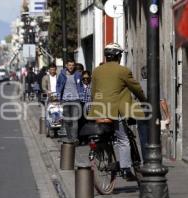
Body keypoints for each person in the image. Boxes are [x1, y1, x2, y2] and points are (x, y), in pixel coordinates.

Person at [89, 43, 147, 180]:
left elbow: (93, 92)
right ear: (119, 56)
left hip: (98, 110)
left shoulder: (96, 71)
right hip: (115, 111)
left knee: (106, 134)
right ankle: (126, 169)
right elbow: (136, 88)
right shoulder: (123, 71)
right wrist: (144, 100)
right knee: (123, 139)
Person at [57, 58, 83, 142]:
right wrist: (58, 95)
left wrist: (81, 95)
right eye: (69, 65)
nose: (71, 67)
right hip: (65, 100)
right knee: (67, 121)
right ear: (66, 66)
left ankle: (75, 139)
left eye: (72, 65)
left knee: (75, 120)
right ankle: (69, 137)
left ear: (74, 66)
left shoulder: (78, 74)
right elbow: (58, 85)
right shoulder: (62, 75)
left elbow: (81, 86)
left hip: (76, 100)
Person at [78, 70, 92, 143]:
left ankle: (88, 138)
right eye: (84, 78)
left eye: (87, 78)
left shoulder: (92, 86)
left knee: (89, 123)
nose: (86, 80)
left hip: (90, 107)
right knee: (81, 123)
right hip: (81, 106)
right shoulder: (79, 86)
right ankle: (81, 138)